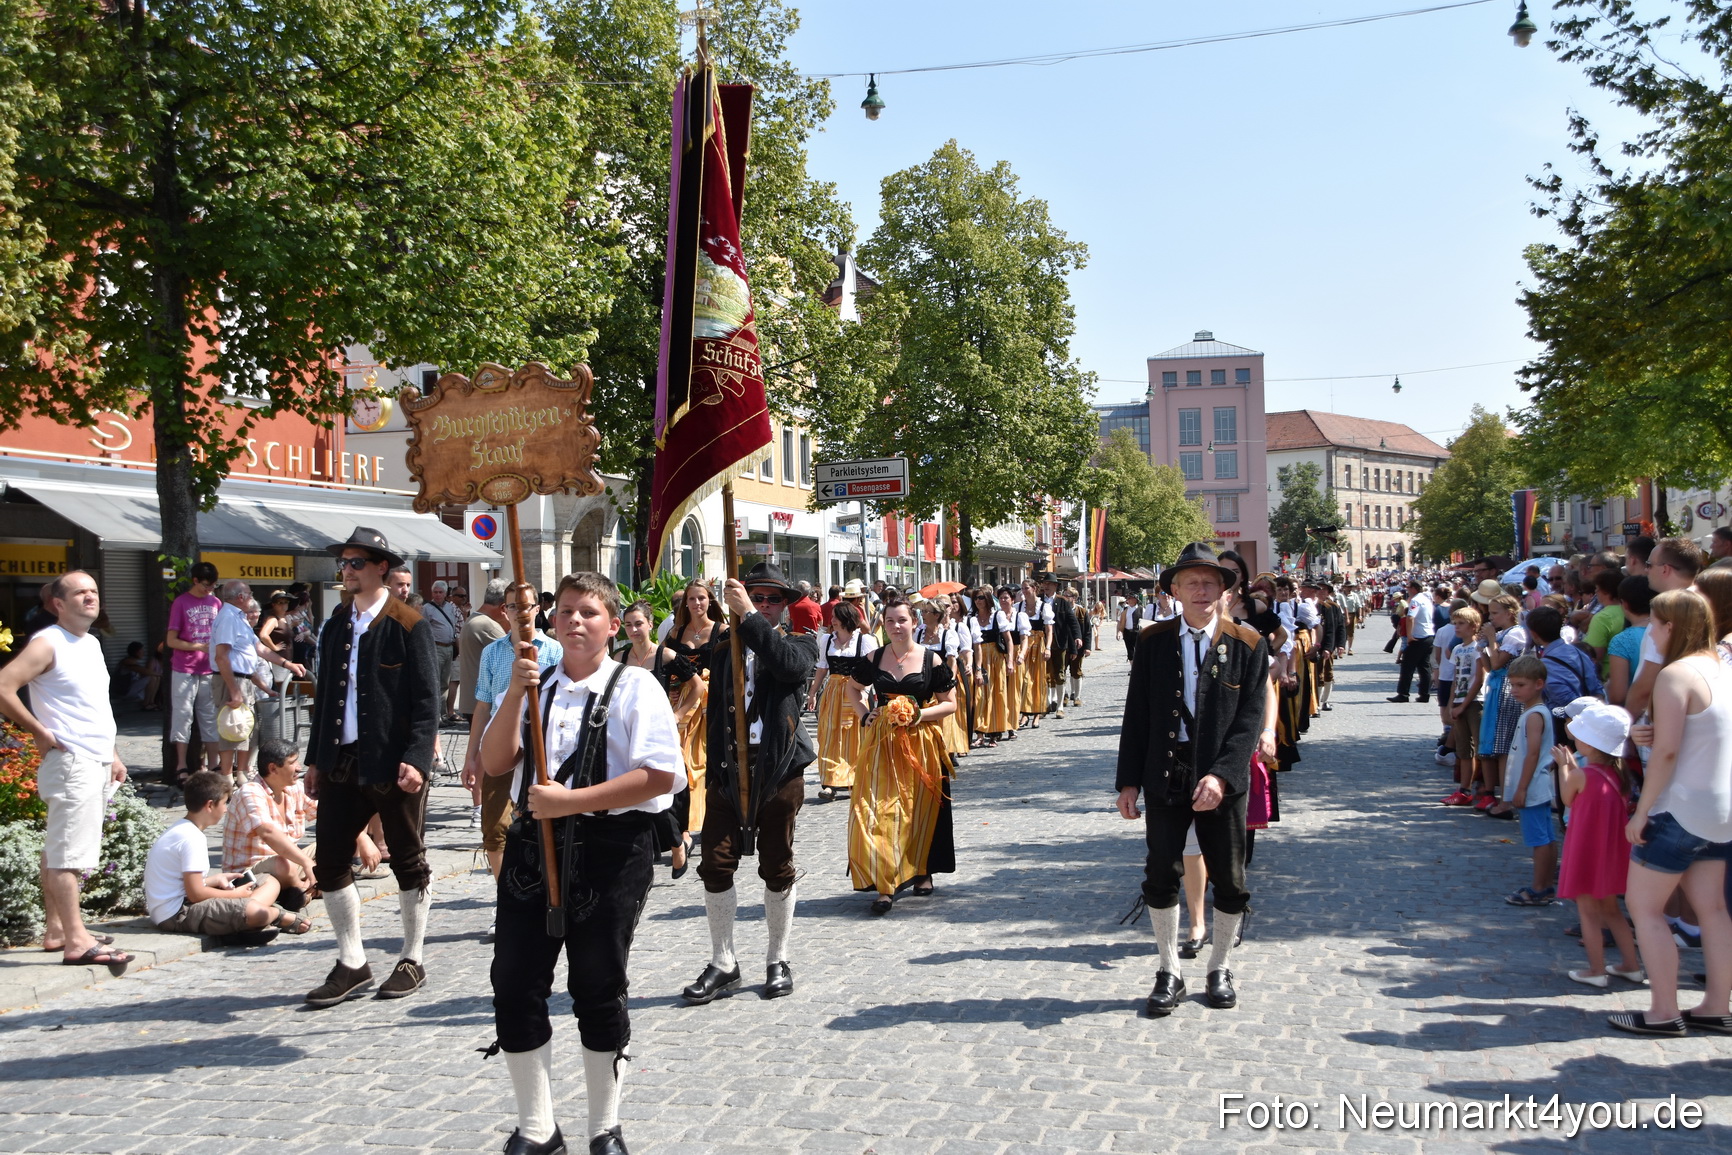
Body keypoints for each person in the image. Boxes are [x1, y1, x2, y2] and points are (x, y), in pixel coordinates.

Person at [480, 571, 683, 1155]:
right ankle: (537, 1127)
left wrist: (571, 802)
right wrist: (516, 693)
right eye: (565, 610)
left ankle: (604, 1126)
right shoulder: (535, 683)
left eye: (589, 612)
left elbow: (658, 776)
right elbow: (497, 763)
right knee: (515, 983)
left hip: (610, 851)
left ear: (613, 625)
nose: (574, 620)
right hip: (530, 851)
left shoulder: (636, 687)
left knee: (597, 985)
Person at [1116, 543, 1270, 1017]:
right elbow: (1137, 714)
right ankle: (1168, 970)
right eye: (1191, 583)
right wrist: (1128, 781)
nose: (1201, 590)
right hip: (1165, 772)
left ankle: (1219, 966)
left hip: (1221, 778)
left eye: (1210, 582)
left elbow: (1249, 719)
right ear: (1175, 591)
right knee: (1160, 873)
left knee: (1230, 878)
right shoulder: (1152, 641)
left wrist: (1223, 776)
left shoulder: (1248, 643)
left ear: (1224, 590)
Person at [303, 528, 441, 1006]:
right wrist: (316, 758)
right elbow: (326, 698)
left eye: (355, 563)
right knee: (329, 861)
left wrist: (418, 757)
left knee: (407, 860)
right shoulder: (337, 621)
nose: (346, 571)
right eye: (343, 563)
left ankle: (413, 956)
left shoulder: (408, 622)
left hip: (393, 760)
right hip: (341, 759)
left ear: (380, 567)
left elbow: (428, 701)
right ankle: (351, 960)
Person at [682, 564, 818, 1006]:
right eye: (754, 598)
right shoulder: (725, 646)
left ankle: (778, 958)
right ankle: (724, 961)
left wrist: (751, 619)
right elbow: (715, 705)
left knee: (777, 864)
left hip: (777, 771)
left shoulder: (800, 643)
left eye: (771, 600)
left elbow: (788, 668)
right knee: (716, 864)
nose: (761, 605)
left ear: (783, 606)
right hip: (730, 770)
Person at [1612, 588, 1732, 1036]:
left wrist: (1641, 812)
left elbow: (1666, 755)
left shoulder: (1675, 674)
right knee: (1714, 910)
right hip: (1721, 806)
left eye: (1656, 624)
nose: (1651, 631)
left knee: (1645, 908)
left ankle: (1664, 1010)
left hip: (1679, 806)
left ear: (1671, 627)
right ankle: (1717, 1005)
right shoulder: (1722, 668)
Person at [0, 570, 133, 967]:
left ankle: (58, 930)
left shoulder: (89, 642)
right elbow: (5, 684)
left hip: (93, 757)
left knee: (61, 846)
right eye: (79, 592)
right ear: (58, 604)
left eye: (93, 591)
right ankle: (77, 940)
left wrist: (113, 753)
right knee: (67, 853)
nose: (90, 597)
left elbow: (92, 705)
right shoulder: (48, 643)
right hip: (71, 760)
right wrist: (38, 731)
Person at [844, 596, 960, 915]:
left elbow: (950, 703)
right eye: (891, 621)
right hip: (883, 744)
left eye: (903, 620)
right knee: (877, 810)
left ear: (915, 623)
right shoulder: (873, 656)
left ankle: (922, 870)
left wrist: (919, 715)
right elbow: (851, 688)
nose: (896, 626)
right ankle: (885, 884)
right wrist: (864, 714)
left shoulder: (930, 660)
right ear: (883, 623)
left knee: (920, 810)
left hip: (921, 743)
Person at [466, 592, 562, 942]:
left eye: (526, 606)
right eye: (512, 606)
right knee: (494, 828)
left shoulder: (553, 650)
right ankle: (505, 900)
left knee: (540, 823)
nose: (519, 613)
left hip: (540, 747)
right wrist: (471, 754)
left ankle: (546, 895)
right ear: (503, 612)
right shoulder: (494, 652)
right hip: (499, 748)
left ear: (537, 609)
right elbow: (482, 705)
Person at [145, 769, 310, 939]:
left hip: (181, 902)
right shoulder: (192, 838)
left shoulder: (183, 828)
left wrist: (215, 880)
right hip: (176, 913)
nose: (225, 810)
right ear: (210, 805)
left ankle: (244, 916)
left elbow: (183, 883)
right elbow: (196, 894)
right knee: (257, 912)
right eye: (224, 803)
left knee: (270, 881)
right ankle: (276, 915)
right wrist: (234, 895)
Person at [1553, 704, 1645, 988]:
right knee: (1613, 911)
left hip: (1586, 851)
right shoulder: (1620, 776)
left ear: (1591, 742)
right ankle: (1631, 965)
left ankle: (1596, 970)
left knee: (1588, 912)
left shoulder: (1584, 774)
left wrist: (1565, 767)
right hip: (1610, 853)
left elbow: (1568, 797)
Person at [657, 580, 725, 875]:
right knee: (683, 765)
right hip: (683, 703)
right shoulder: (675, 633)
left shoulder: (722, 632)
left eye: (701, 598)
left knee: (707, 765)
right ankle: (685, 830)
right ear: (685, 603)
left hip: (714, 705)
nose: (697, 604)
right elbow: (661, 664)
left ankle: (708, 827)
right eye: (692, 599)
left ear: (710, 601)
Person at [222, 737, 318, 901]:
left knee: (332, 845)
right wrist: (306, 862)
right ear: (273, 768)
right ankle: (303, 892)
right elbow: (267, 832)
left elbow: (326, 814)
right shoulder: (250, 792)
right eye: (293, 763)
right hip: (248, 873)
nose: (298, 768)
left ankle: (306, 888)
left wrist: (362, 838)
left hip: (290, 865)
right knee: (283, 864)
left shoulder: (294, 788)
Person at [1502, 655, 1559, 906]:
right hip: (1537, 785)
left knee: (1539, 839)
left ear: (1539, 684)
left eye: (1520, 685)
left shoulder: (1535, 715)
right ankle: (1546, 885)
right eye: (1512, 685)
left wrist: (1521, 788)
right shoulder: (1534, 712)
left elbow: (1533, 752)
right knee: (1546, 837)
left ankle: (1539, 888)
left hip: (1533, 786)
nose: (1514, 690)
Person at [808, 600, 876, 803]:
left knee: (856, 735)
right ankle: (829, 783)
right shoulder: (827, 640)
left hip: (856, 690)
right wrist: (812, 692)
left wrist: (866, 693)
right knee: (829, 734)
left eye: (835, 617)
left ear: (847, 618)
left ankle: (855, 777)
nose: (832, 621)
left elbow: (872, 670)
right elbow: (822, 667)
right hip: (833, 692)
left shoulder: (865, 641)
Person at [165, 561, 222, 784]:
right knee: (183, 716)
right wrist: (198, 647)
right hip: (184, 668)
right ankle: (181, 764)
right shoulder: (181, 603)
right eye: (206, 586)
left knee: (210, 717)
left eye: (213, 586)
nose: (209, 590)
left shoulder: (216, 602)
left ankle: (213, 763)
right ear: (195, 580)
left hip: (208, 669)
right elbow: (171, 640)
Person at [421, 581, 462, 726]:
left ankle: (443, 715)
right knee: (435, 682)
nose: (437, 595)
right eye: (435, 592)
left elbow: (455, 625)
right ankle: (435, 716)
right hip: (436, 648)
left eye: (440, 592)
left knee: (445, 682)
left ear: (445, 594)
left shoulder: (450, 608)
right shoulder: (427, 608)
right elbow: (423, 629)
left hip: (448, 648)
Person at [1389, 580, 1435, 703]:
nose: (1406, 590)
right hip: (1429, 635)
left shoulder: (1415, 600)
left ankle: (1403, 694)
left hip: (1418, 636)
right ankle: (1425, 694)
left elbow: (1410, 617)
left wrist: (1409, 636)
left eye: (1408, 587)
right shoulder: (1426, 599)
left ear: (1414, 588)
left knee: (1407, 666)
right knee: (1424, 666)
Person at [1017, 582, 1048, 730]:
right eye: (1022, 588)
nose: (1024, 591)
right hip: (1024, 645)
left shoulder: (1044, 607)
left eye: (1026, 588)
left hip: (1039, 644)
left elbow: (1050, 630)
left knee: (1037, 678)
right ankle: (1024, 712)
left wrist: (1048, 648)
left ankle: (1037, 712)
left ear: (1034, 589)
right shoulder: (1019, 607)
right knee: (1024, 679)